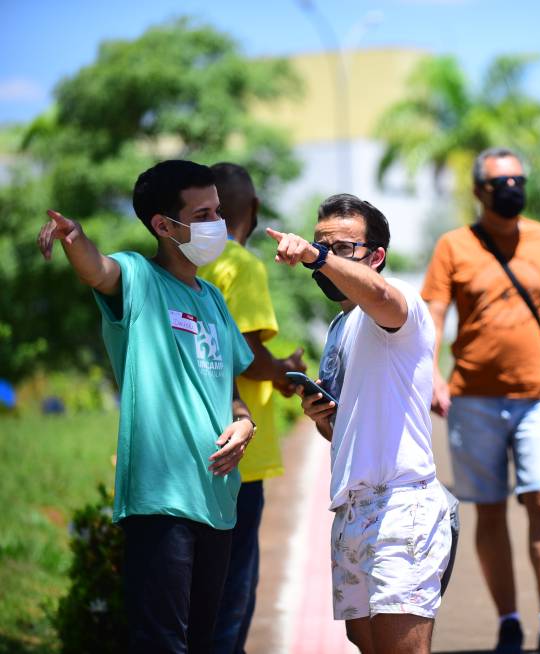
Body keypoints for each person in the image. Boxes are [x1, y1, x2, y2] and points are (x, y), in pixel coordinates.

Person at [36, 159, 256, 653]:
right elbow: (99, 270)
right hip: (161, 500)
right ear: (163, 224)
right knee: (162, 645)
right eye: (201, 214)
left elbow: (232, 393)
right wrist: (76, 240)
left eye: (217, 211)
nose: (216, 224)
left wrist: (245, 425)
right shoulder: (139, 278)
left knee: (202, 645)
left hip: (217, 500)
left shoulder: (216, 300)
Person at [267, 193, 453, 654]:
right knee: (366, 645)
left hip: (400, 506)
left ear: (377, 256)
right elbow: (343, 430)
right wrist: (323, 418)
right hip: (352, 508)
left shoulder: (399, 303)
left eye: (342, 248)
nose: (327, 257)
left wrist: (316, 256)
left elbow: (381, 296)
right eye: (321, 244)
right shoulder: (339, 328)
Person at [421, 147, 540, 654]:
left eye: (517, 179)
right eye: (499, 182)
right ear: (478, 191)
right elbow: (433, 312)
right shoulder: (454, 245)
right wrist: (429, 375)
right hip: (472, 401)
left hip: (539, 397)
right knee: (489, 512)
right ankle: (509, 621)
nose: (510, 188)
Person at [197, 162, 307, 654]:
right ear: (255, 209)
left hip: (193, 440)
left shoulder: (183, 263)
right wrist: (287, 371)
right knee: (233, 591)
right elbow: (247, 353)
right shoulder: (242, 265)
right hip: (240, 446)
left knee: (200, 588)